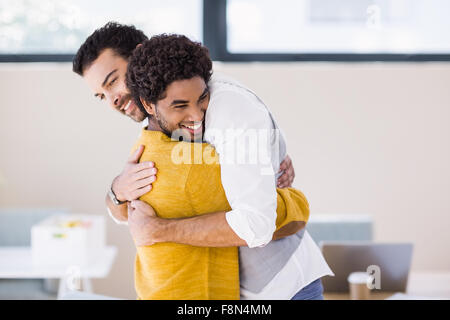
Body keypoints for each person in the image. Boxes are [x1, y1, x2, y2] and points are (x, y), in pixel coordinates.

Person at [73, 22, 333, 300]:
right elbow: (141, 212)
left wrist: (159, 230)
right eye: (102, 95)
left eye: (113, 81)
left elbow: (257, 223)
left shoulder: (228, 108)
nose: (112, 100)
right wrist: (117, 191)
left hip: (281, 286)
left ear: (139, 55)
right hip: (229, 287)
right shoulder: (156, 122)